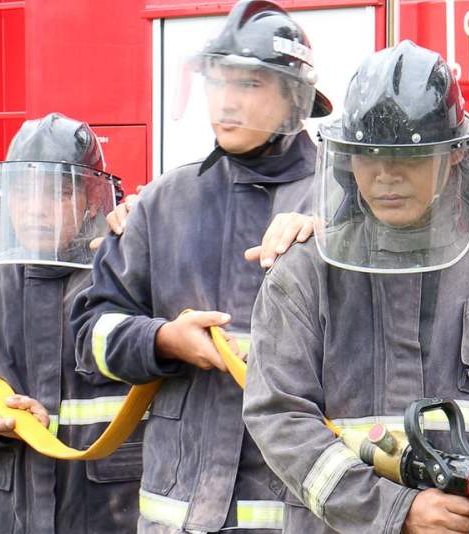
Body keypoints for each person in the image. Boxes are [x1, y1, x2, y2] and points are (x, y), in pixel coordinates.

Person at [242, 42, 469, 534]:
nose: (386, 175)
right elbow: (278, 415)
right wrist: (392, 511)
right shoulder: (306, 271)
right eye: (368, 155)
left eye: (408, 157)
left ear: (455, 155)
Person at [69, 1, 331, 531]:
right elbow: (89, 334)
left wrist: (336, 245)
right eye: (218, 82)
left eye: (250, 85)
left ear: (293, 100)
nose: (227, 102)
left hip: (306, 506)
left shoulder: (345, 199)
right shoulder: (163, 203)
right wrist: (163, 341)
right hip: (182, 511)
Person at [0, 113, 144, 532]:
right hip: (11, 515)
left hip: (114, 514)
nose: (36, 209)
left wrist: (148, 227)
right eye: (22, 193)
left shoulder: (126, 274)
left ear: (92, 198)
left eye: (58, 194)